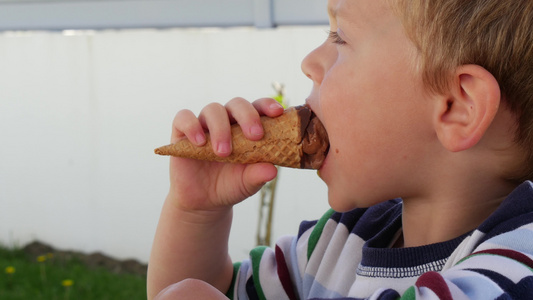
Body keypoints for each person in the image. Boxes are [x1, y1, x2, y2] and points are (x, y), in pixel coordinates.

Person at [147, 0, 533, 298]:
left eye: (340, 37)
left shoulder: (514, 275)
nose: (309, 62)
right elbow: (210, 290)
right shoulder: (339, 240)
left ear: (457, 106)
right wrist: (196, 212)